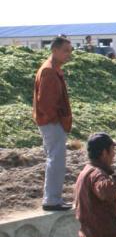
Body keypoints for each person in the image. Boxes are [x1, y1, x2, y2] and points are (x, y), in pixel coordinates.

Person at [33, 36, 74, 211]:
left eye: (70, 51)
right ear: (54, 50)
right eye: (65, 51)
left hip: (51, 121)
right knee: (56, 160)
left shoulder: (52, 68)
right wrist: (56, 120)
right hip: (52, 122)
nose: (69, 54)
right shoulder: (49, 71)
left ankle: (53, 198)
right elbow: (46, 103)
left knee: (55, 159)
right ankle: (52, 200)